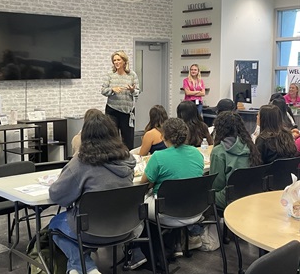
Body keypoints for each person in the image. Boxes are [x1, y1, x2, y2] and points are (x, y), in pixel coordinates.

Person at [49, 113, 137, 274]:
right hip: (127, 226)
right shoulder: (128, 158)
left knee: (54, 224)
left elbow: (57, 196)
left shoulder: (80, 163)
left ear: (85, 136)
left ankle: (85, 266)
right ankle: (79, 267)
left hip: (92, 230)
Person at [126, 118, 204, 270]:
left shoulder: (159, 157)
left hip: (166, 212)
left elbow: (142, 184)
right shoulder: (197, 154)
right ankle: (174, 247)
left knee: (136, 205)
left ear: (163, 136)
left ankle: (137, 252)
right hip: (194, 210)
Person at [209, 111, 262, 209]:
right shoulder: (250, 146)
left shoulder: (219, 152)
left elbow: (216, 185)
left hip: (230, 198)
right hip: (251, 194)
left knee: (204, 194)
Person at [101, 50, 140, 150]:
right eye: (114, 60)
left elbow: (137, 92)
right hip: (112, 110)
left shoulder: (132, 75)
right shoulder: (110, 74)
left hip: (127, 112)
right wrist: (112, 90)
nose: (116, 62)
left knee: (128, 139)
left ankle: (128, 159)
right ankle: (113, 159)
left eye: (118, 60)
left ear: (124, 61)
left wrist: (132, 90)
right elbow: (103, 90)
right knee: (111, 137)